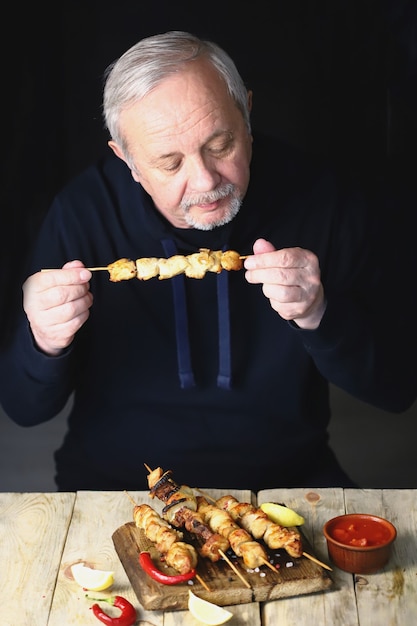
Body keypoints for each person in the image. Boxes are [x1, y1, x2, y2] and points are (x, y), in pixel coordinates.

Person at [0, 31, 415, 492]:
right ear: (128, 159)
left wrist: (321, 315)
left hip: (287, 480)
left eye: (220, 145)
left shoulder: (323, 198)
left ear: (247, 114)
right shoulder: (82, 213)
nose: (205, 182)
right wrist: (43, 341)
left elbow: (396, 390)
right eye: (170, 163)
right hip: (118, 485)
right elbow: (22, 407)